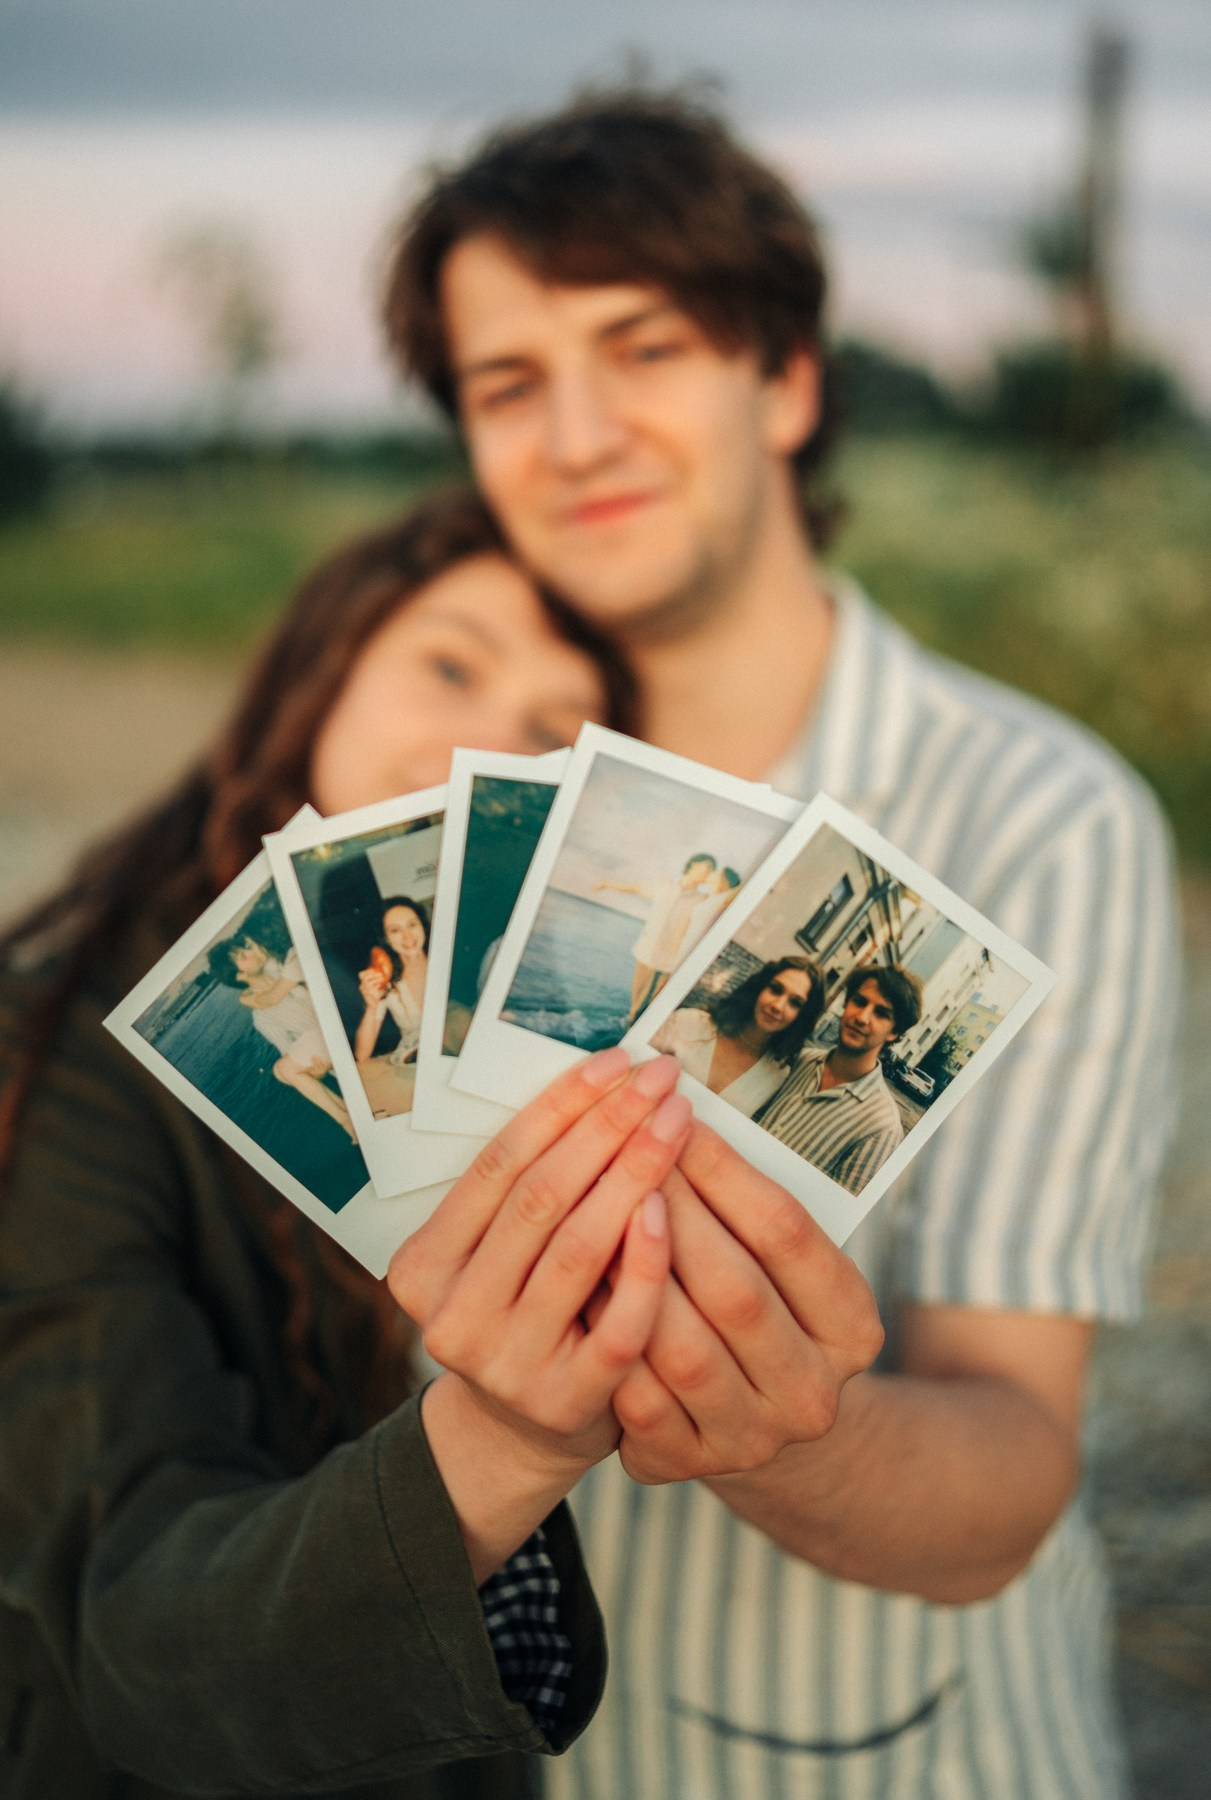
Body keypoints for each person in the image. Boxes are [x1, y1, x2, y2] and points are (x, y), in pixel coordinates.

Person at [383, 87, 1180, 1797]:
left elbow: (1008, 1466)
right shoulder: (438, 778)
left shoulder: (1037, 815)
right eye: (508, 385)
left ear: (787, 383)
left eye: (643, 348)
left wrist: (764, 1426)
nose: (577, 434)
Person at [0, 487, 691, 1799]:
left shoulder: (558, 1066)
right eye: (450, 668)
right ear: (314, 680)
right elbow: (137, 1636)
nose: (484, 747)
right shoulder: (52, 1056)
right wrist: (506, 1445)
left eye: (552, 733)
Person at [756, 965, 919, 1191]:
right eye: (859, 1002)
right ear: (846, 1003)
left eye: (881, 1013)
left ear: (894, 1032)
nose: (862, 1017)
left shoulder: (882, 1128)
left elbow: (833, 1208)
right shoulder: (801, 1060)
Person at [210, 931, 357, 1140]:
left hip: (346, 1023)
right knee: (282, 1071)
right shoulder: (262, 1018)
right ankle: (349, 1116)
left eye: (245, 948)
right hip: (334, 1052)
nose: (250, 952)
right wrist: (318, 1073)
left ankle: (347, 1119)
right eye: (243, 956)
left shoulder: (280, 965)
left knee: (282, 1070)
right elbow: (293, 1055)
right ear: (240, 976)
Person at [652, 954, 823, 1116]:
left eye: (795, 1003)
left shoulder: (776, 1076)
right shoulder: (687, 1022)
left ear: (802, 1016)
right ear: (759, 988)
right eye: (775, 990)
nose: (778, 1006)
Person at [592, 851, 716, 1020]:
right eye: (707, 867)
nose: (709, 872)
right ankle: (629, 1028)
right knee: (636, 1007)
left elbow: (723, 900)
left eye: (712, 870)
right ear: (694, 865)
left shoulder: (701, 898)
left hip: (671, 961)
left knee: (654, 1008)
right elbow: (635, 888)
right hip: (648, 953)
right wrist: (607, 884)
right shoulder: (665, 885)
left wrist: (713, 882)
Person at [354, 895, 430, 1116]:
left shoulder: (447, 960)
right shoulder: (386, 980)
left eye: (412, 925)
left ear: (422, 925)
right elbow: (362, 1054)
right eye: (395, 930)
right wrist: (371, 1005)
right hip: (414, 1058)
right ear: (386, 938)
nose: (407, 936)